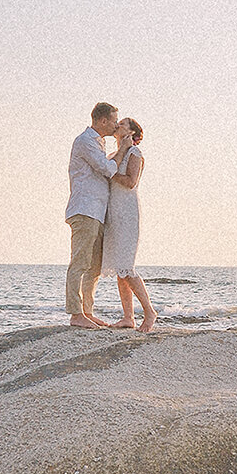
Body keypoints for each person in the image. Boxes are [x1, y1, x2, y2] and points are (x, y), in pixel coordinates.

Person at [65, 102, 119, 328]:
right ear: (103, 120)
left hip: (97, 211)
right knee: (80, 262)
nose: (116, 125)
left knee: (94, 266)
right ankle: (75, 314)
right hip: (84, 209)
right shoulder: (85, 141)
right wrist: (124, 148)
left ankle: (87, 311)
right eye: (114, 120)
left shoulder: (99, 142)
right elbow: (106, 169)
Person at [104, 117, 156, 333]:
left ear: (131, 132)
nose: (118, 125)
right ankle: (128, 317)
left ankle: (150, 312)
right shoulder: (113, 156)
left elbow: (131, 181)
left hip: (127, 212)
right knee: (119, 268)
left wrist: (110, 171)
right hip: (113, 212)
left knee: (127, 266)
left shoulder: (135, 153)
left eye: (123, 124)